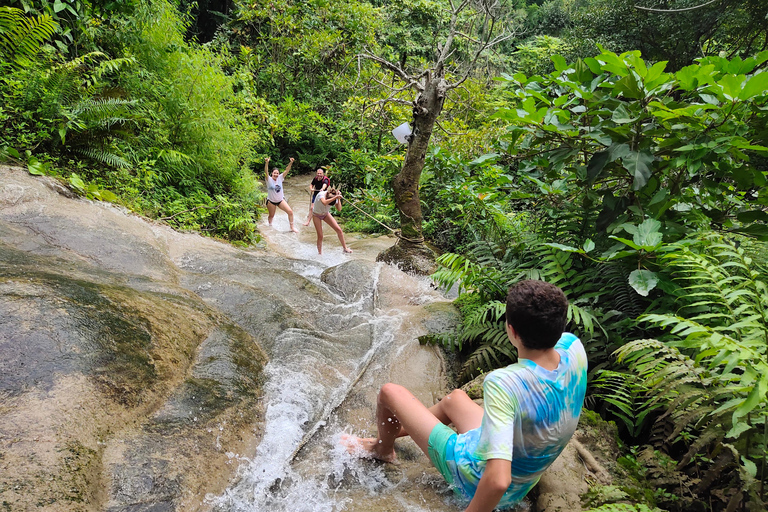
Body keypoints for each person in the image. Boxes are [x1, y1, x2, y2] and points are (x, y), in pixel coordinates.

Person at [343, 280, 588, 511]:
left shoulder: (505, 383)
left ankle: (382, 449)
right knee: (456, 398)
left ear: (511, 330)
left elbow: (498, 481)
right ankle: (401, 429)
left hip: (479, 482)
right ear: (559, 325)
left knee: (390, 392)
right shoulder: (572, 347)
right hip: (526, 473)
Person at [312, 187, 352, 254]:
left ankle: (345, 248)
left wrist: (338, 199)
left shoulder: (334, 197)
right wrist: (335, 197)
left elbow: (339, 209)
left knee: (339, 230)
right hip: (316, 215)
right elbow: (324, 202)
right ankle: (319, 253)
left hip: (325, 214)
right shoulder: (321, 195)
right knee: (320, 235)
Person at [265, 156, 299, 233]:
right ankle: (270, 226)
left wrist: (291, 163)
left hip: (280, 200)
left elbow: (287, 170)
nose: (276, 175)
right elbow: (266, 172)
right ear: (272, 173)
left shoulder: (280, 178)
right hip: (271, 201)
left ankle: (292, 227)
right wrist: (267, 163)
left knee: (290, 212)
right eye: (274, 173)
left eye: (277, 173)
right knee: (271, 216)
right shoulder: (268, 179)